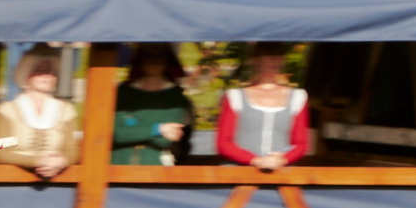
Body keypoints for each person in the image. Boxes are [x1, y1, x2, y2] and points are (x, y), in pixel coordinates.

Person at [216, 42, 312, 173]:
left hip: (282, 175)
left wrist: (282, 159)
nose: (276, 60)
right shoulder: (235, 96)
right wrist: (256, 160)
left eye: (279, 56)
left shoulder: (298, 96)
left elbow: (301, 144)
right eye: (270, 55)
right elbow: (224, 143)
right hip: (238, 173)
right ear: (255, 60)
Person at [0, 48, 79, 180]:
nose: (46, 76)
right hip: (12, 181)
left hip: (57, 181)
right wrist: (37, 161)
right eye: (39, 70)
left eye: (51, 71)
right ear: (26, 73)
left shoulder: (67, 111)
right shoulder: (6, 111)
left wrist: (61, 161)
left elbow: (74, 150)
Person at [111, 44, 196, 165]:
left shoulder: (176, 97)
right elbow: (115, 134)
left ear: (167, 60)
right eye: (147, 56)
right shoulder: (122, 94)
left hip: (156, 169)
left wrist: (132, 129)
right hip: (118, 167)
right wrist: (158, 129)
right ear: (139, 59)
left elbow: (165, 142)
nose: (153, 60)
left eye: (160, 56)